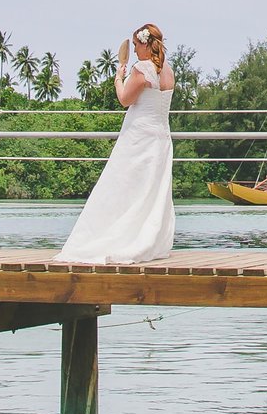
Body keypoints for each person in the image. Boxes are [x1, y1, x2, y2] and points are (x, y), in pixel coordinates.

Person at [57, 24, 178, 264]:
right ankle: (148, 237)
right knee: (151, 189)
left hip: (139, 136)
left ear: (144, 43)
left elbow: (125, 99)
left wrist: (118, 78)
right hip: (161, 136)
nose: (134, 50)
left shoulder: (142, 69)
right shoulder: (168, 71)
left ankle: (117, 236)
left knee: (122, 184)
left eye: (135, 45)